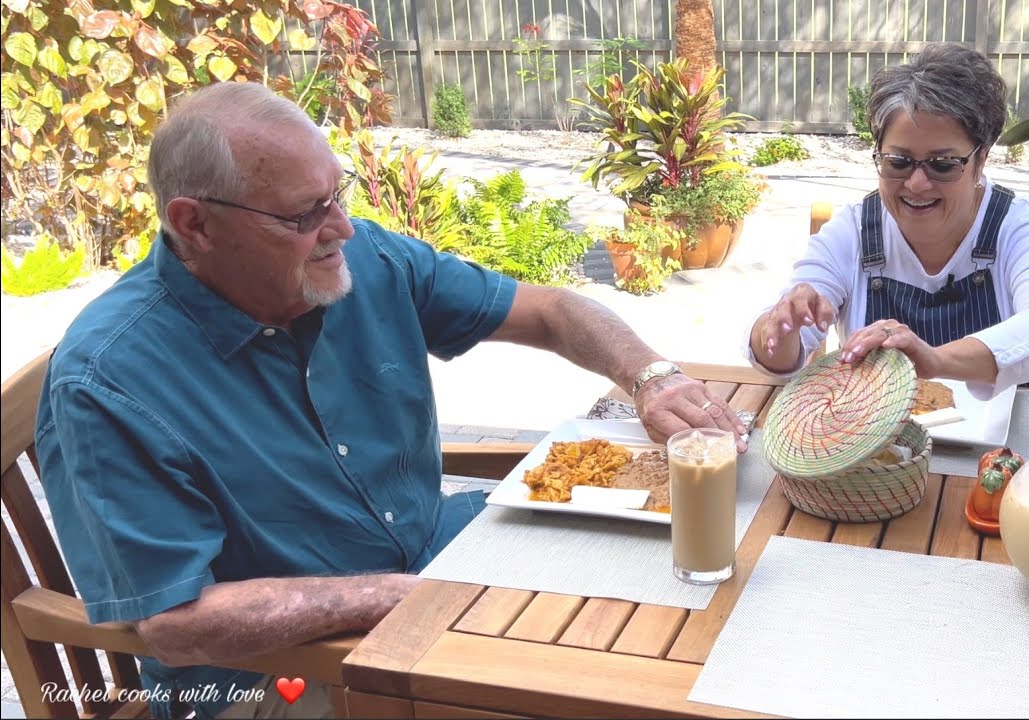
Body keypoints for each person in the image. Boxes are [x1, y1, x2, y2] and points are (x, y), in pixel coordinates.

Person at [33, 81, 746, 720]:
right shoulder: (109, 380)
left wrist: (654, 377)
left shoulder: (367, 262)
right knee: (594, 685)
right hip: (271, 674)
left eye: (336, 195)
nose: (340, 228)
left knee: (678, 585)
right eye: (303, 215)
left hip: (427, 566)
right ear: (194, 224)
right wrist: (401, 597)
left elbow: (555, 310)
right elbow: (177, 624)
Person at [747, 44, 1029, 397]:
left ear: (981, 160)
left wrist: (934, 361)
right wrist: (779, 326)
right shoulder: (853, 232)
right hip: (877, 443)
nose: (917, 183)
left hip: (1004, 448)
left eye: (943, 164)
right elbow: (781, 357)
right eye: (898, 161)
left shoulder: (1020, 229)